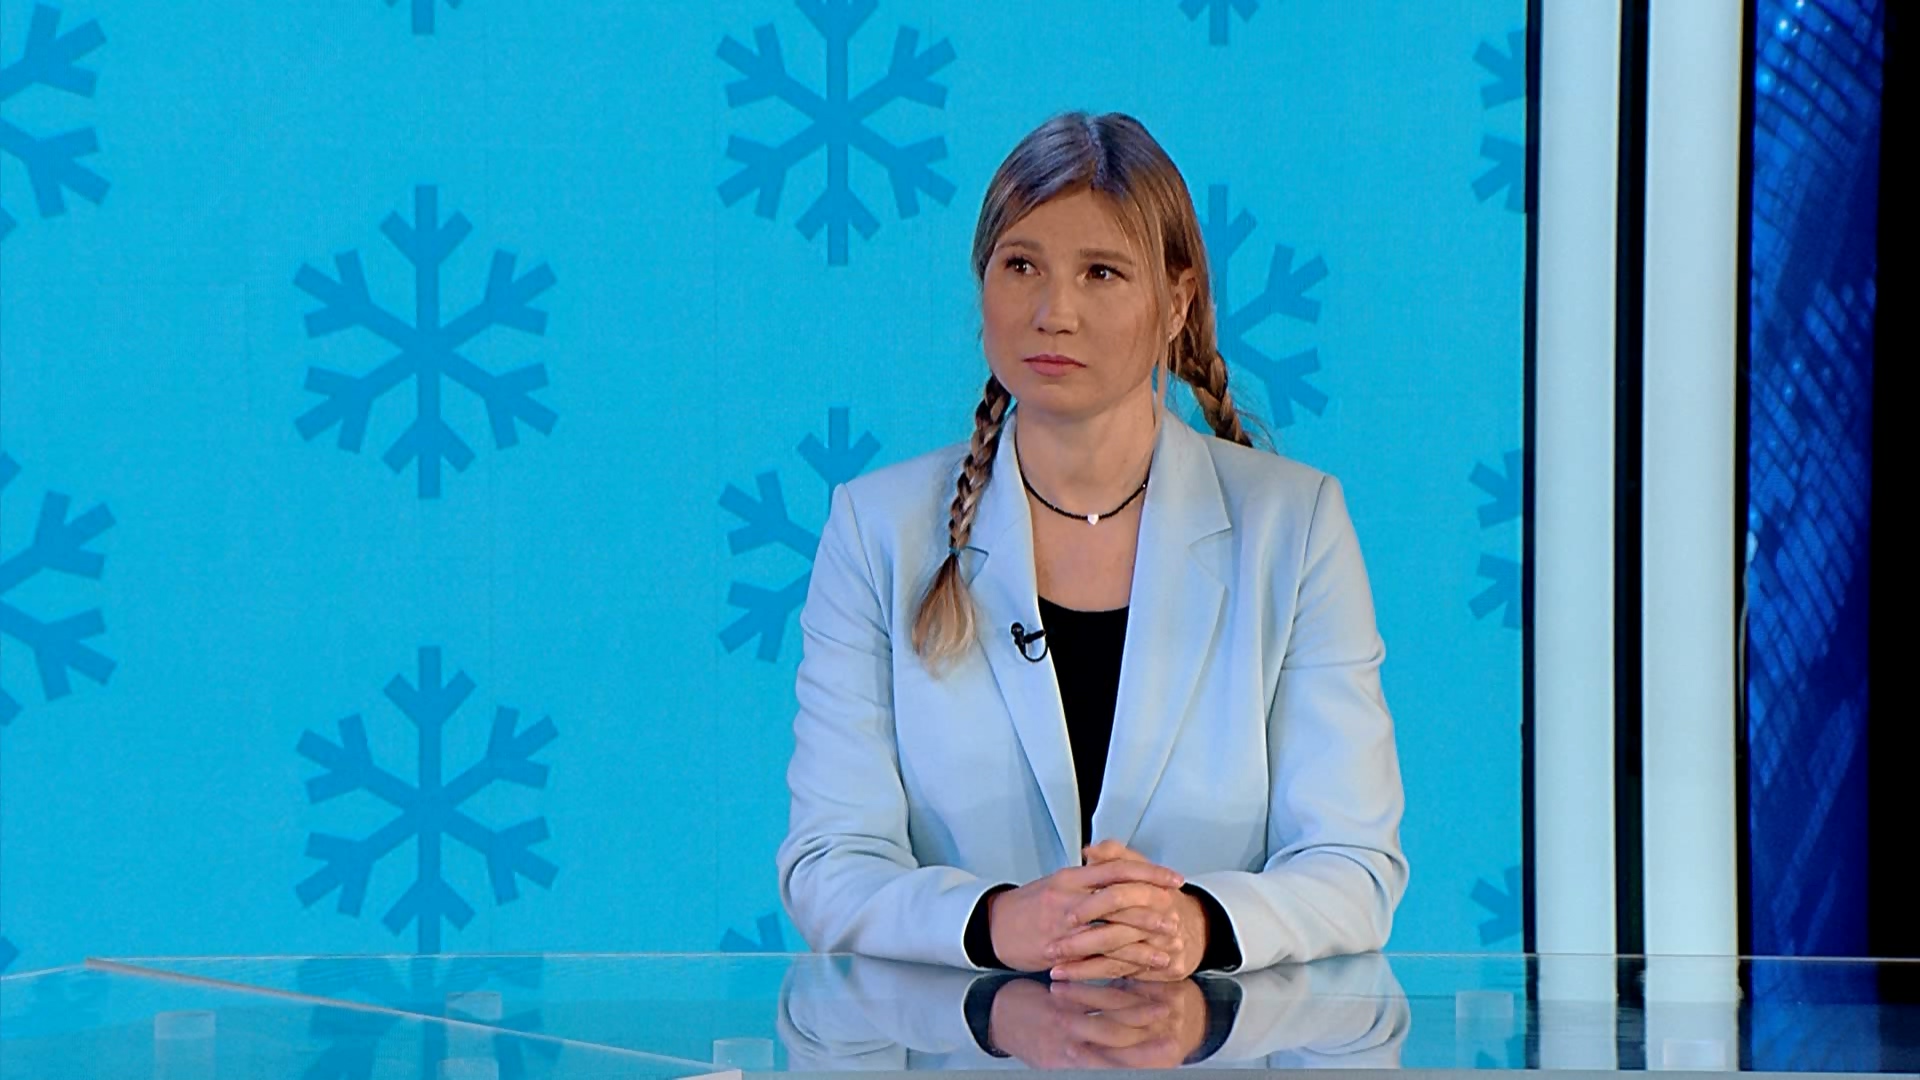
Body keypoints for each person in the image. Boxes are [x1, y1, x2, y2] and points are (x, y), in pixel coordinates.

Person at [776, 111, 1407, 981]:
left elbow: (1354, 865)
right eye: (1021, 266)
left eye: (1101, 272)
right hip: (961, 1040)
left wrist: (1190, 925)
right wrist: (997, 922)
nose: (1053, 312)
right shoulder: (876, 529)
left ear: (1177, 302)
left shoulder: (1294, 528)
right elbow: (829, 863)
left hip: (1212, 1039)